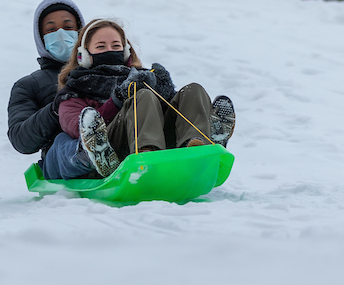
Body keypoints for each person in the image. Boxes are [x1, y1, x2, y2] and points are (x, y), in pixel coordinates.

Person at [49, 18, 235, 179]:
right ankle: (147, 157)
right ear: (84, 56)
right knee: (143, 97)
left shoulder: (141, 78)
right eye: (100, 46)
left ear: (125, 51)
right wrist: (117, 101)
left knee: (193, 90)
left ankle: (199, 150)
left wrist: (165, 92)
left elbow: (165, 117)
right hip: (115, 150)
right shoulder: (73, 91)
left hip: (164, 144)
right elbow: (78, 128)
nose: (109, 50)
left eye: (116, 46)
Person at [7, 0, 87, 177]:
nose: (60, 34)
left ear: (81, 32)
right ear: (41, 38)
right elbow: (21, 140)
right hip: (60, 160)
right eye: (51, 30)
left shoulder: (101, 71)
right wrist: (54, 109)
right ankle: (86, 155)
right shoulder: (28, 85)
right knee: (62, 140)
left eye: (68, 28)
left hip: (111, 143)